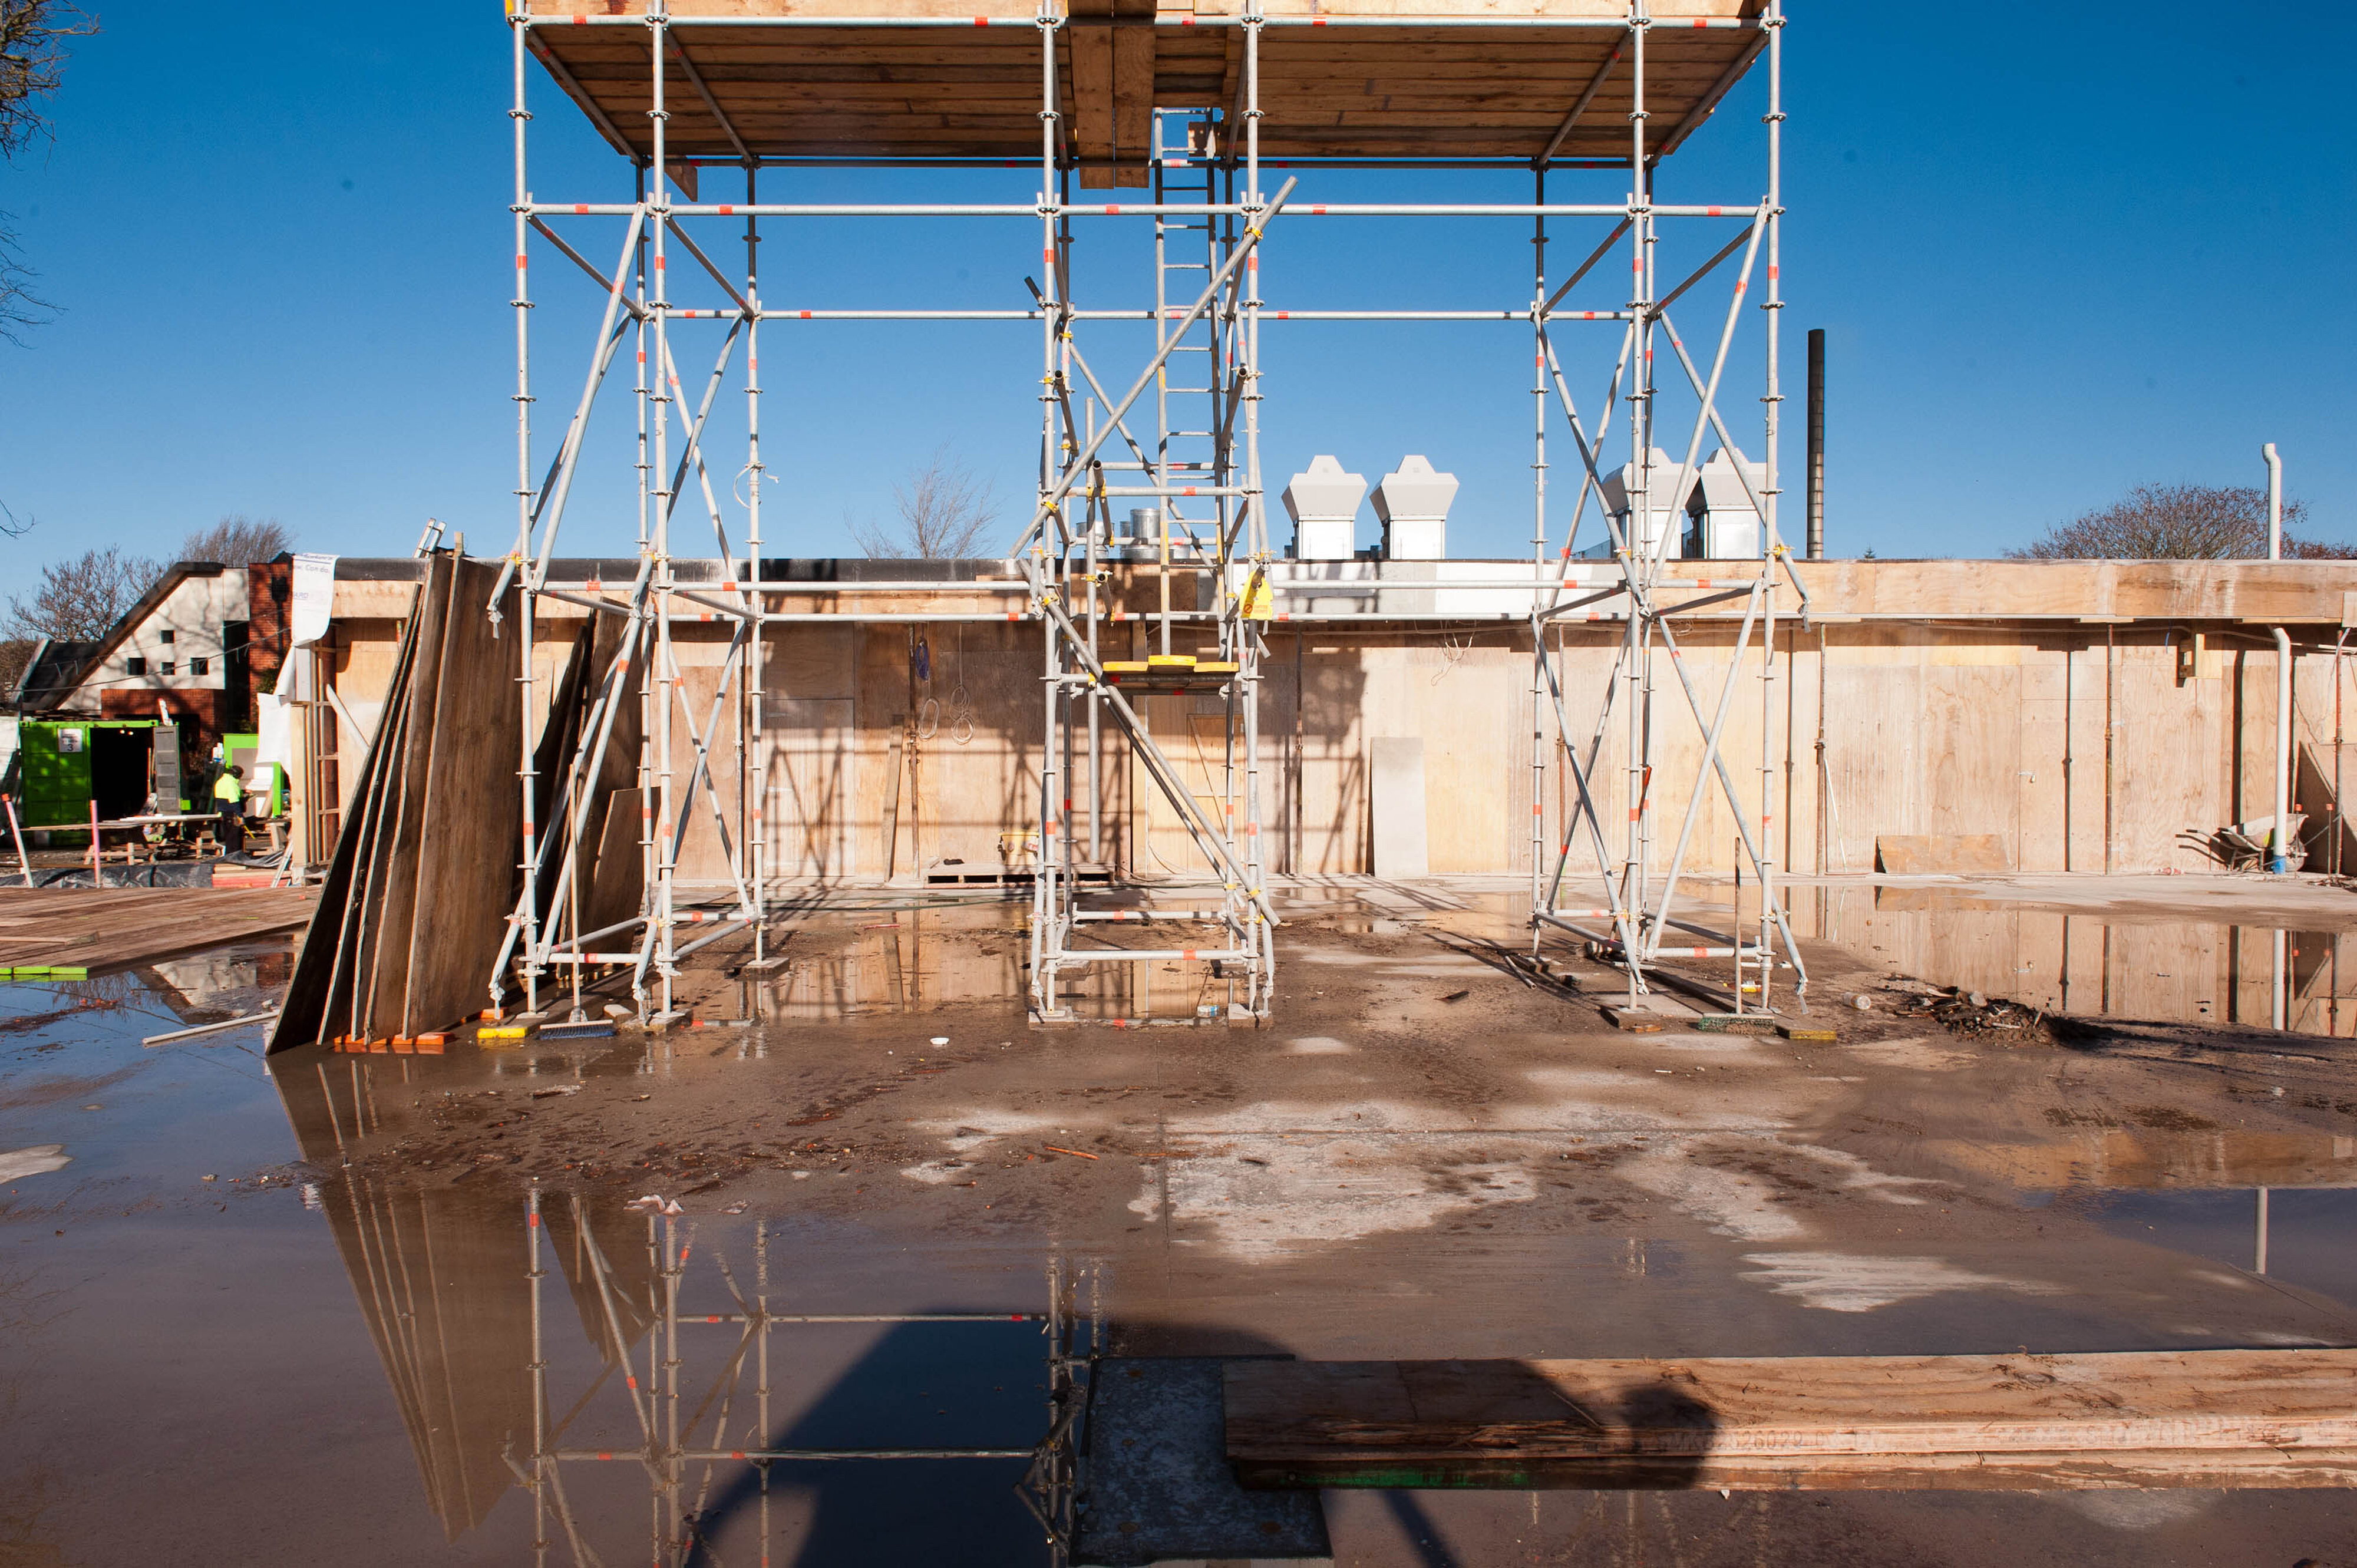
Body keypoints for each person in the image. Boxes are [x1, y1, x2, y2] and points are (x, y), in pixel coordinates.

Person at [213, 764, 246, 855]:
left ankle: (229, 856)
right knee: (235, 838)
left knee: (229, 837)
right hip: (233, 814)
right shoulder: (231, 784)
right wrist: (240, 816)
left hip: (224, 813)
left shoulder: (221, 781)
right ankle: (236, 856)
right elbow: (234, 801)